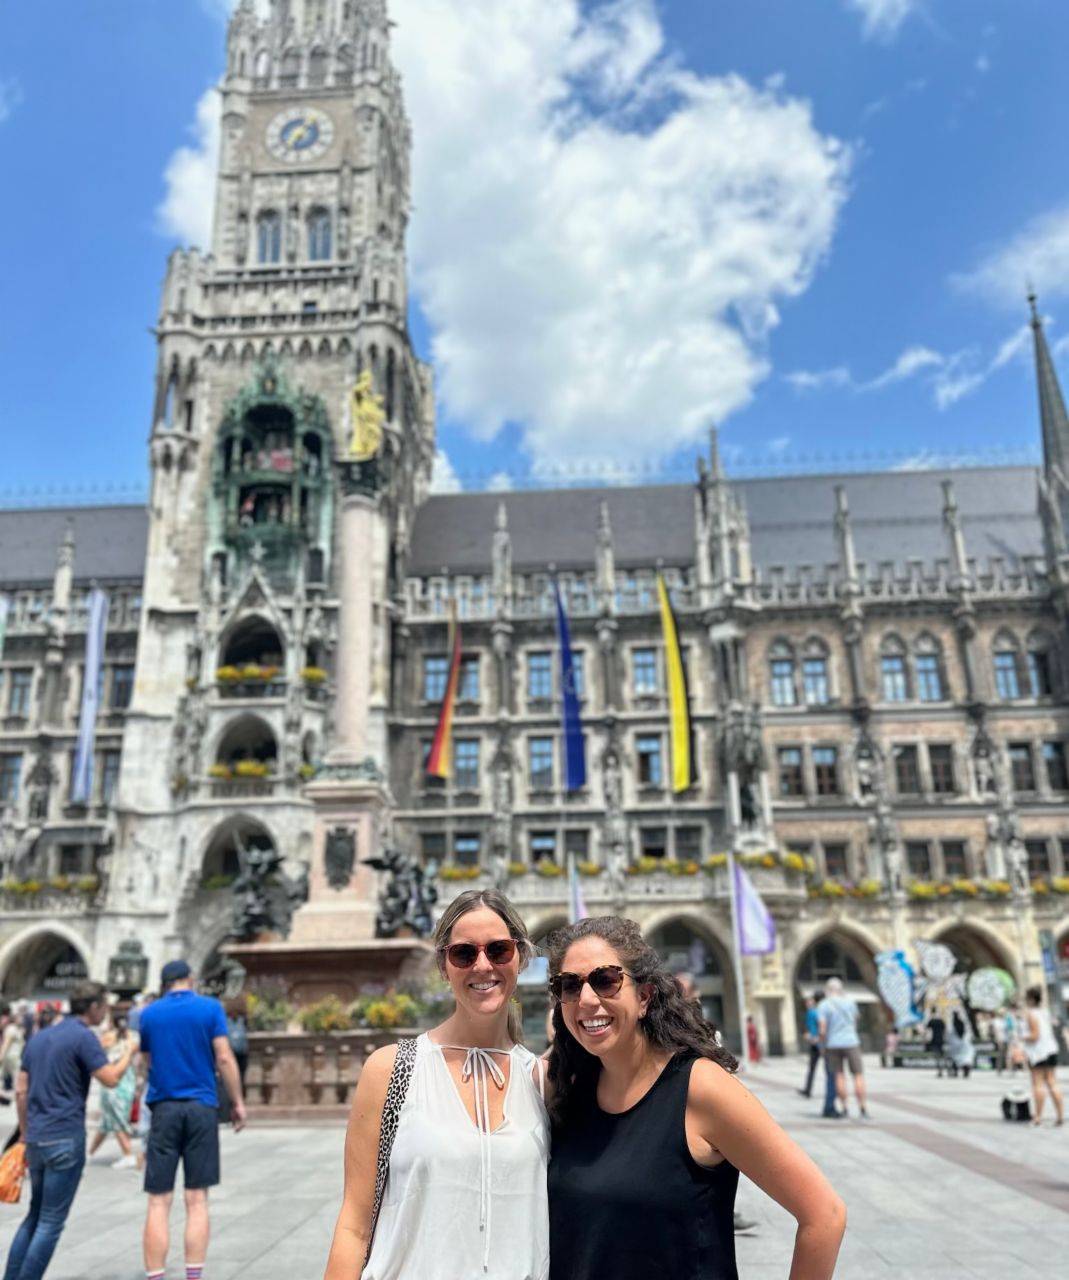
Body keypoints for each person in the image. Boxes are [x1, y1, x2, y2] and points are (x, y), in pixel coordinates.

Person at [547, 917, 846, 1280]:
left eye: (606, 980)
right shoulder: (570, 1088)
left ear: (644, 996)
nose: (587, 999)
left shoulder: (699, 1086)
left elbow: (824, 1215)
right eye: (569, 985)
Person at [323, 889, 549, 1280]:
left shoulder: (544, 1082)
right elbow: (353, 1226)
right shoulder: (393, 1069)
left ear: (520, 958)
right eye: (464, 953)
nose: (482, 965)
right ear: (444, 966)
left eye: (498, 950)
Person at [4, 980, 135, 1280]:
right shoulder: (83, 1037)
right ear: (93, 1007)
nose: (105, 1012)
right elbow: (111, 1079)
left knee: (34, 1217)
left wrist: (25, 1133)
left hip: (36, 1138)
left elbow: (21, 1091)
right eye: (103, 1005)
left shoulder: (39, 1038)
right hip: (65, 1136)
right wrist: (128, 1052)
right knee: (51, 1222)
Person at [138, 960, 246, 1280]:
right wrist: (237, 1101)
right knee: (196, 1199)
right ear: (189, 979)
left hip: (164, 1108)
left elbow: (147, 1060)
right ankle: (193, 1276)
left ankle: (156, 1275)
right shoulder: (210, 1008)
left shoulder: (149, 1013)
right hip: (201, 1107)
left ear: (165, 983)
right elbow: (224, 1057)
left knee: (159, 1201)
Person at [88, 1012, 139, 1168]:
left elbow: (95, 1050)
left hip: (113, 1082)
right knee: (107, 1121)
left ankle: (128, 1153)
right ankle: (90, 1152)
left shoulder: (108, 1037)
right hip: (128, 1081)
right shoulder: (134, 1037)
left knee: (116, 1118)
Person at [818, 977, 869, 1120]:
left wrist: (822, 1045)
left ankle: (845, 1108)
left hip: (833, 1044)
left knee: (839, 1075)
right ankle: (862, 1108)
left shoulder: (824, 1005)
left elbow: (822, 1029)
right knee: (858, 1075)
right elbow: (856, 1018)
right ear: (840, 989)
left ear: (828, 991)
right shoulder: (850, 1002)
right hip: (851, 1041)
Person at [1021, 986, 1063, 1126]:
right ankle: (1060, 1116)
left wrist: (1022, 1036)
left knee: (1038, 1084)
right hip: (1051, 1050)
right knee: (1052, 1082)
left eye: (1026, 999)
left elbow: (1035, 1035)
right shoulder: (1045, 1012)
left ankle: (1038, 1117)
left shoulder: (1031, 1014)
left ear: (1031, 1000)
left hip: (1039, 1053)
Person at [798, 993, 822, 1097]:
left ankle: (807, 1090)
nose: (807, 1003)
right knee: (812, 1067)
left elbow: (819, 1025)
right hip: (816, 1042)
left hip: (817, 1042)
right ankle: (807, 1090)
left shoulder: (814, 1012)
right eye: (807, 1001)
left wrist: (814, 1037)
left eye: (810, 1001)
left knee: (813, 1067)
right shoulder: (811, 1012)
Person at [947, 1009, 975, 1080]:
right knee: (966, 1059)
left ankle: (955, 1071)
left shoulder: (952, 1024)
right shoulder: (964, 1023)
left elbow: (949, 1034)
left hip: (955, 1044)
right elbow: (969, 1034)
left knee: (955, 1058)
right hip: (964, 1043)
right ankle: (966, 1071)